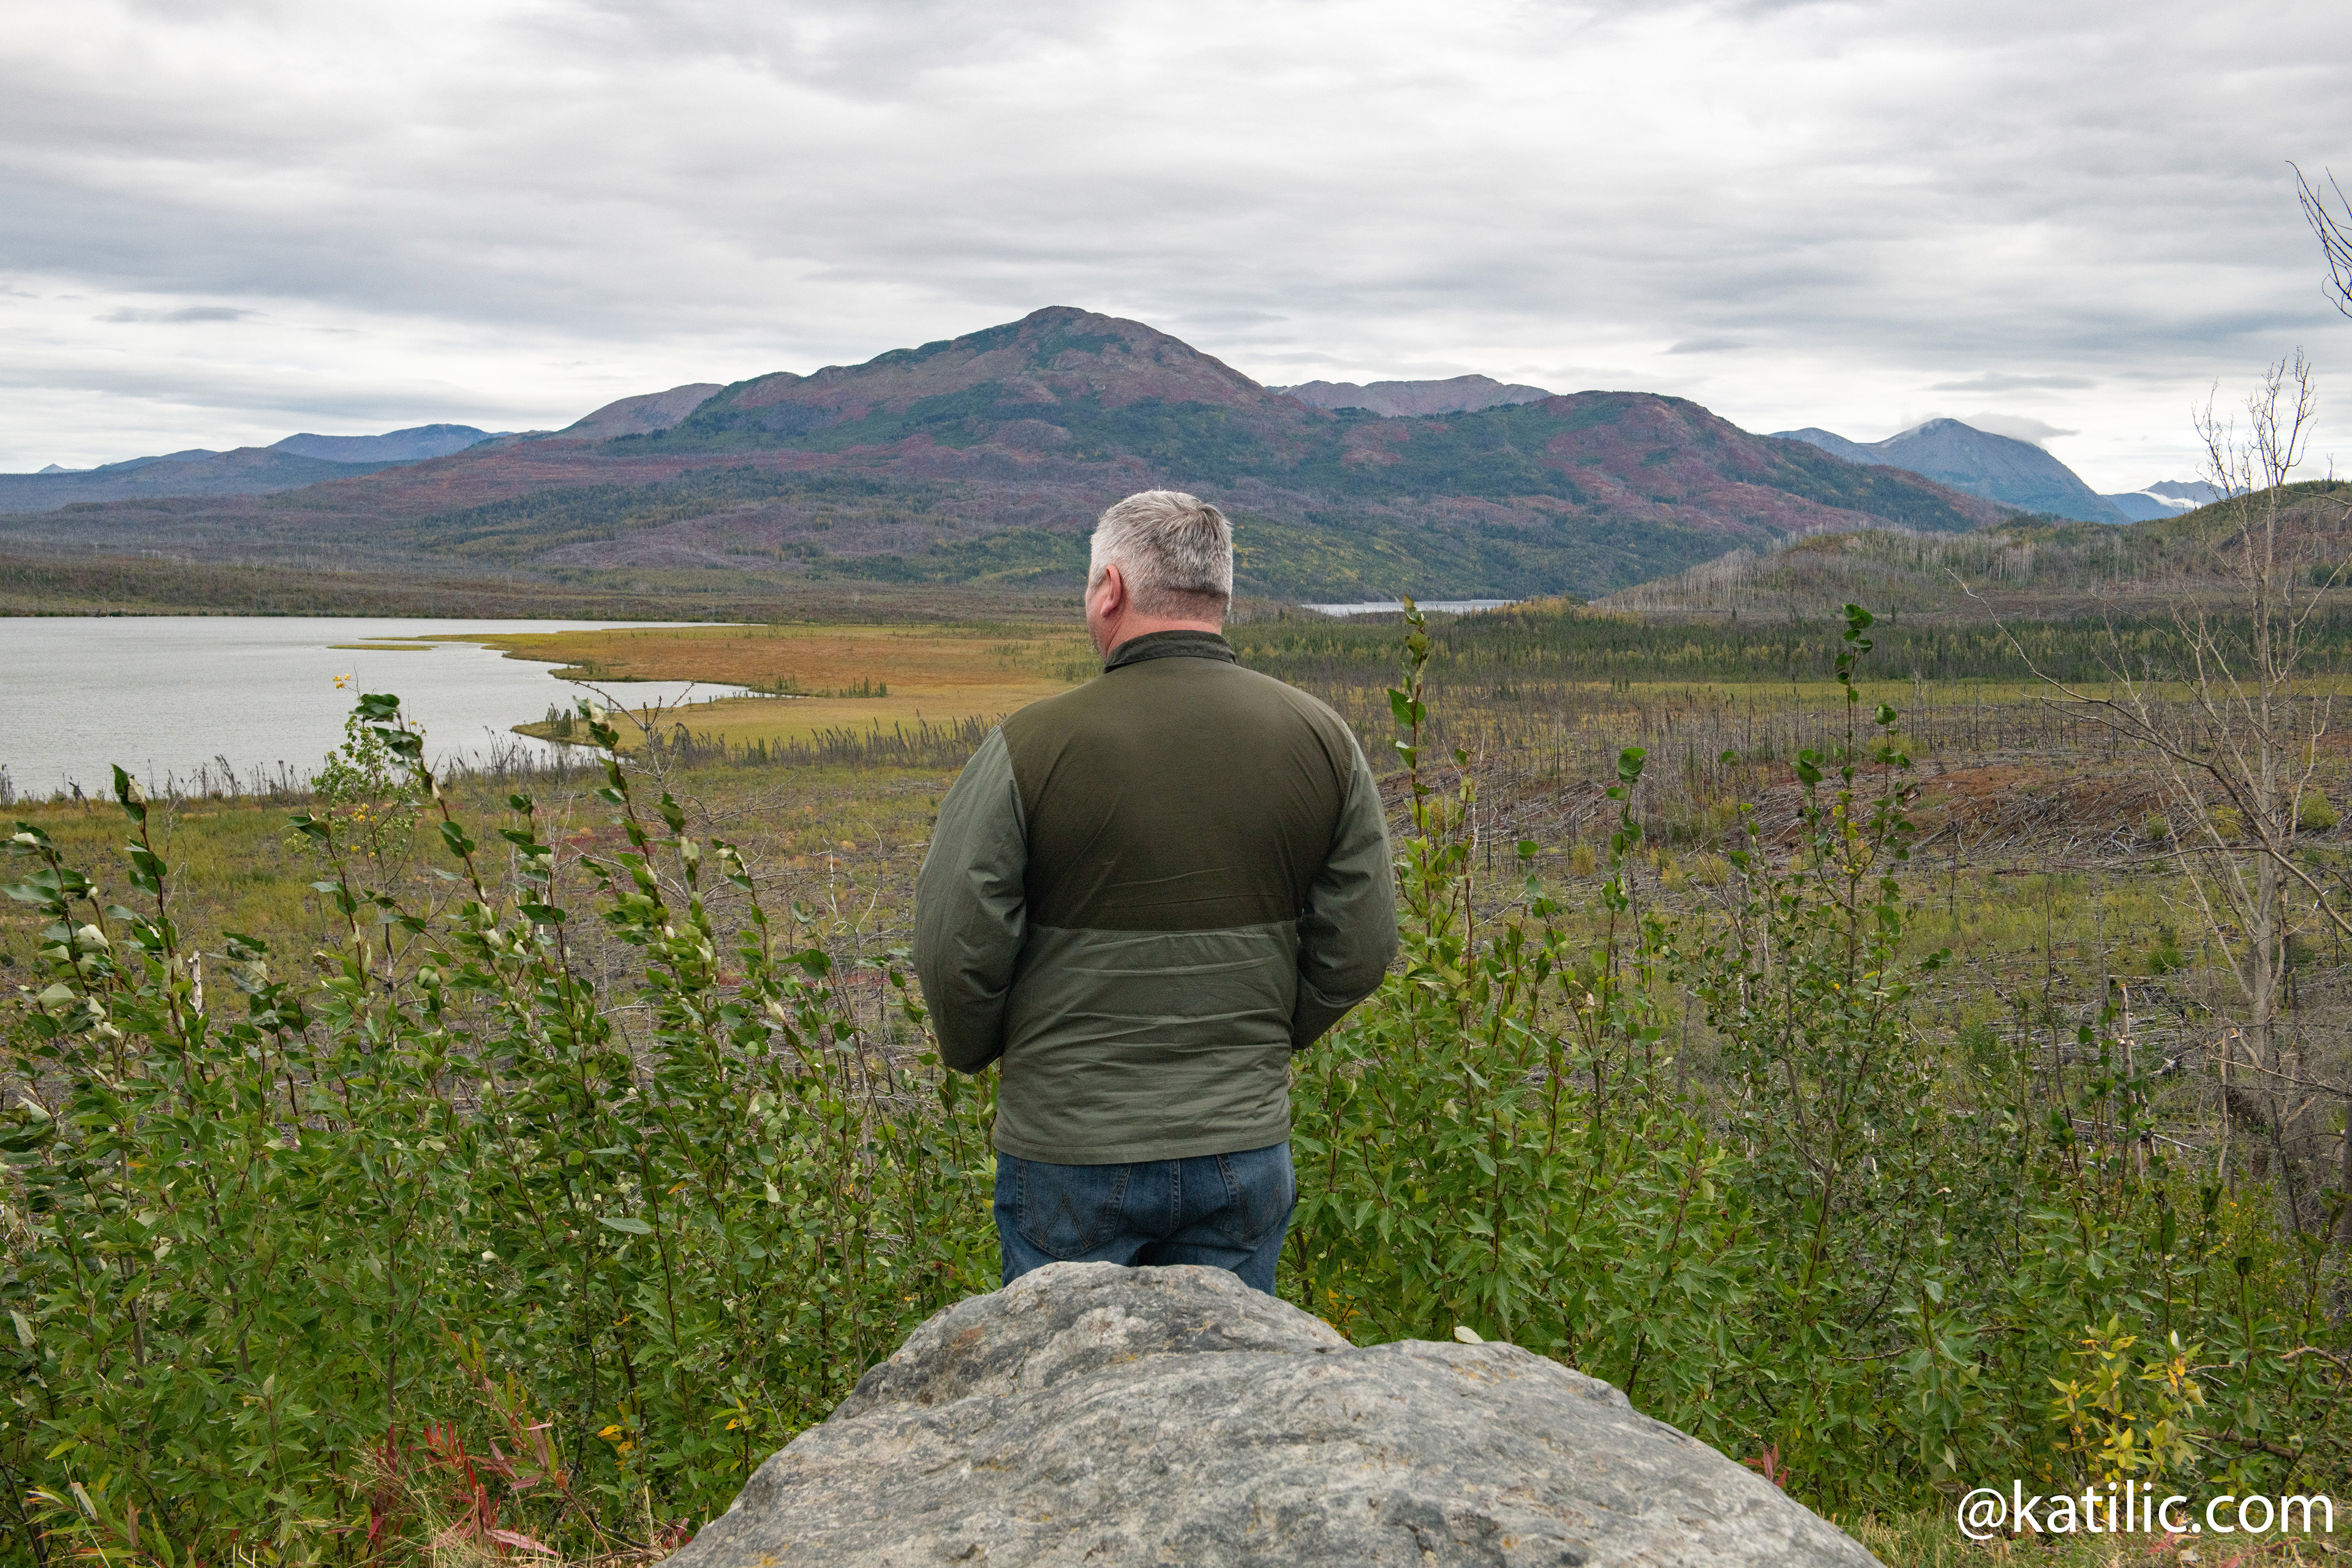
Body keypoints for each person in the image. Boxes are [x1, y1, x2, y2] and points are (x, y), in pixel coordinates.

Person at [913, 489, 1397, 1294]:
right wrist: (1252, 1045)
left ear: (1111, 588)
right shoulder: (1323, 740)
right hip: (1241, 1146)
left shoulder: (1028, 746)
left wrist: (980, 1051)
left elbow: (954, 945)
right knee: (1230, 1396)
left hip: (1069, 1148)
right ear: (1220, 593)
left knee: (1066, 1392)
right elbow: (1362, 948)